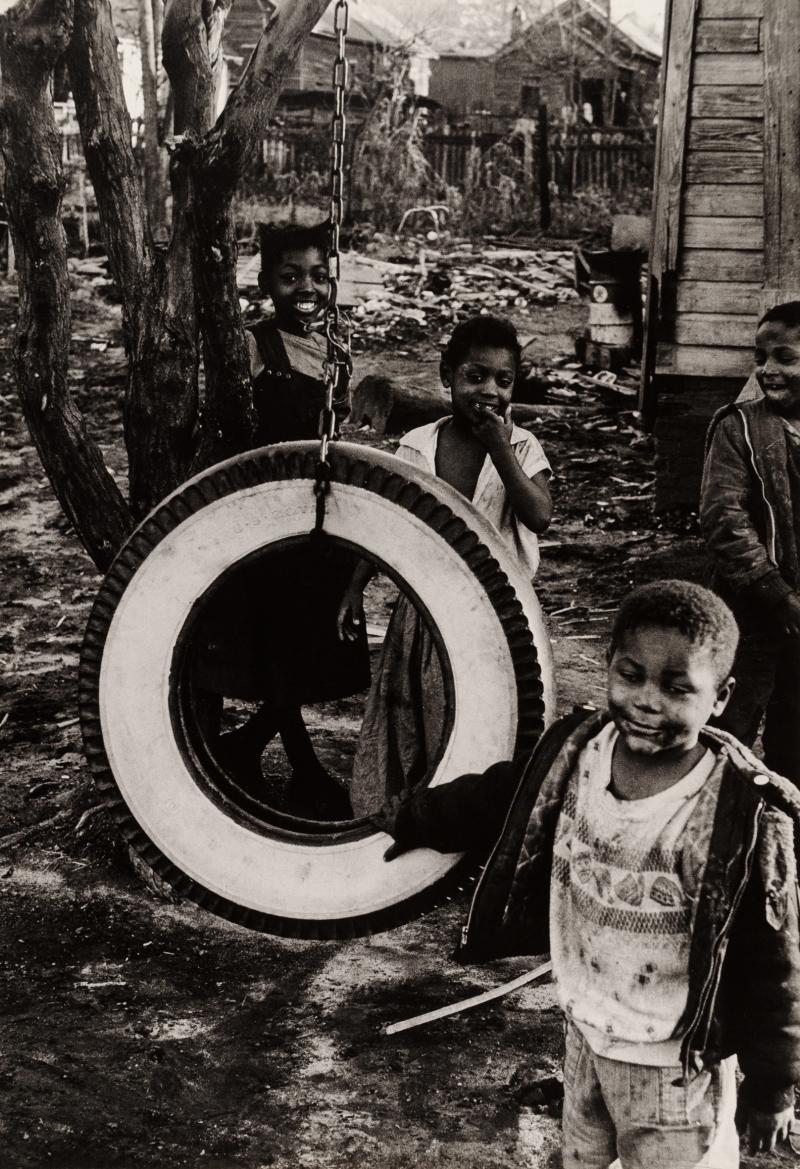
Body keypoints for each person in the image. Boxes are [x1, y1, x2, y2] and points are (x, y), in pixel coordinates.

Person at [374, 580, 800, 1167]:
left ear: (721, 697)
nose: (648, 700)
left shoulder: (741, 815)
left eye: (678, 688)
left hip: (676, 1070)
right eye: (631, 675)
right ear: (609, 668)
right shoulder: (575, 754)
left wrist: (772, 1088)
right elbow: (497, 796)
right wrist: (409, 817)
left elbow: (773, 960)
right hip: (584, 1033)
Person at [337, 314, 553, 817]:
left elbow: (539, 515)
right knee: (412, 707)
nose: (489, 392)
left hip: (495, 611)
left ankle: (470, 817)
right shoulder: (420, 444)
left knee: (481, 713)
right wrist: (354, 589)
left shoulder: (521, 446)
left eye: (504, 380)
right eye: (475, 376)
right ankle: (406, 812)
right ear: (446, 375)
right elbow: (389, 522)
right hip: (425, 607)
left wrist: (501, 448)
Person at [192, 222, 369, 818]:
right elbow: (229, 427)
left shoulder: (339, 345)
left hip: (324, 520)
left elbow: (342, 429)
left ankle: (251, 750)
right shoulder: (253, 344)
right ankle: (304, 770)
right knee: (278, 648)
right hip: (270, 522)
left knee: (312, 647)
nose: (307, 287)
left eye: (319, 275)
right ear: (267, 281)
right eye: (291, 276)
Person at [700, 300, 800, 785]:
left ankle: (784, 840)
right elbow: (726, 521)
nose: (768, 370)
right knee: (727, 728)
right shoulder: (737, 428)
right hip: (751, 612)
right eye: (761, 358)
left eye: (785, 358)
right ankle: (711, 833)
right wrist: (777, 595)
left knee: (795, 740)